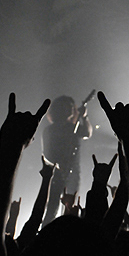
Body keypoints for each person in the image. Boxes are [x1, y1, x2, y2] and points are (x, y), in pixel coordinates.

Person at [41, 95, 92, 227]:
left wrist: (84, 117)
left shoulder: (72, 127)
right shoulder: (50, 130)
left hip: (73, 173)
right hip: (56, 173)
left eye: (71, 106)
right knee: (52, 206)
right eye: (67, 106)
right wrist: (58, 165)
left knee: (71, 205)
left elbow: (87, 133)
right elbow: (47, 154)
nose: (70, 108)